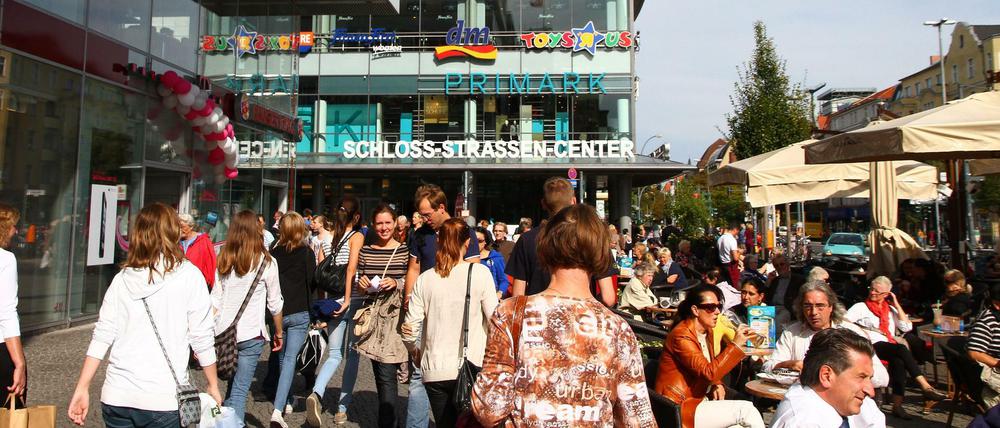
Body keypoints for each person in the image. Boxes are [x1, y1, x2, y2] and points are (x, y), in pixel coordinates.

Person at [472, 204, 655, 427]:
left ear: (545, 248)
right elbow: (638, 419)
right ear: (601, 253)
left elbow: (489, 409)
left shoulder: (511, 315)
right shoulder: (617, 329)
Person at [67, 203, 223, 426]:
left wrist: (83, 387)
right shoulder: (189, 276)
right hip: (163, 398)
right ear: (173, 231)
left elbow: (102, 335)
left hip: (117, 397)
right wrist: (213, 385)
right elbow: (202, 337)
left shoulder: (122, 278)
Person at [402, 218, 499, 427]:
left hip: (434, 369)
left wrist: (415, 353)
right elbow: (495, 320)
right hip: (471, 366)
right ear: (467, 243)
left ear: (439, 241)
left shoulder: (425, 278)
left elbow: (409, 330)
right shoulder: (480, 273)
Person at [653, 284, 765, 428]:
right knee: (747, 410)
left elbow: (704, 366)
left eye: (719, 306)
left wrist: (717, 384)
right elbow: (708, 372)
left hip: (700, 399)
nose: (717, 312)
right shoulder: (681, 336)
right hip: (681, 406)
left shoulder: (707, 332)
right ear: (695, 310)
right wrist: (735, 346)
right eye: (710, 307)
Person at [212, 210, 284, 426]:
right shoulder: (267, 262)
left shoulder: (224, 258)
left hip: (224, 333)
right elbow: (275, 303)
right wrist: (278, 332)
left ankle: (225, 422)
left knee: (231, 386)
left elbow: (214, 300)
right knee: (240, 389)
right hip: (252, 332)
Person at [845, 275, 947, 418]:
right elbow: (843, 323)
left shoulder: (890, 309)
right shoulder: (860, 307)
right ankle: (925, 386)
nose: (873, 293)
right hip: (870, 345)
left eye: (877, 291)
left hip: (887, 345)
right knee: (901, 349)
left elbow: (906, 327)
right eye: (871, 289)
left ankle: (897, 406)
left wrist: (897, 304)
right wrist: (861, 333)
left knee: (899, 362)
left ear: (887, 294)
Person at [763, 281, 890, 392]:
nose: (813, 312)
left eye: (820, 306)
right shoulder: (792, 333)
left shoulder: (851, 333)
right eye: (808, 306)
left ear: (831, 307)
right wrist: (789, 364)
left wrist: (843, 377)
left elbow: (881, 377)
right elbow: (768, 367)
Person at [507, 177, 616, 307]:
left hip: (538, 316)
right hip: (582, 317)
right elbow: (608, 297)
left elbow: (517, 296)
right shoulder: (591, 236)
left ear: (543, 204)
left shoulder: (527, 239)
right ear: (574, 201)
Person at [307, 197, 365, 427]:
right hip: (353, 301)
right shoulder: (357, 236)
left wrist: (326, 303)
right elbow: (352, 268)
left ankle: (317, 393)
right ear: (356, 217)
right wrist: (348, 299)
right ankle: (342, 408)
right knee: (352, 355)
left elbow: (321, 272)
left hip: (331, 302)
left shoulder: (327, 239)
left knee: (334, 354)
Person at [354, 204, 410, 428]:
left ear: (396, 223)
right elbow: (360, 285)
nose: (384, 228)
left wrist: (397, 283)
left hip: (396, 317)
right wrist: (362, 284)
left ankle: (388, 422)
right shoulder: (366, 251)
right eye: (379, 223)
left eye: (388, 222)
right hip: (374, 319)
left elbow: (413, 281)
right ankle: (389, 420)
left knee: (387, 373)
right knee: (380, 372)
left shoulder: (405, 250)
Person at [771, 328, 884, 428]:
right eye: (861, 377)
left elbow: (875, 419)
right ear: (826, 376)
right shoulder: (803, 422)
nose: (870, 391)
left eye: (869, 378)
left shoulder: (855, 403)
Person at [265, 212, 316, 428]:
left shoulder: (272, 253)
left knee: (281, 358)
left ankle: (286, 401)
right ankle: (278, 410)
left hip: (276, 313)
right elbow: (311, 282)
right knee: (289, 360)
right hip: (299, 311)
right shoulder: (306, 253)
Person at [0, 204, 25, 407]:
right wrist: (19, 362)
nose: (16, 231)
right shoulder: (6, 259)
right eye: (13, 226)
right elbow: (6, 312)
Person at [968, 282, 1000, 407]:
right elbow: (974, 352)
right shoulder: (987, 321)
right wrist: (997, 363)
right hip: (992, 370)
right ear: (997, 305)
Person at [179, 212, 217, 289]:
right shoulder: (177, 242)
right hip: (181, 286)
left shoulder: (203, 241)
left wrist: (208, 285)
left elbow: (210, 265)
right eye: (177, 227)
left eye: (182, 227)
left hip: (198, 286)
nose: (179, 229)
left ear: (191, 227)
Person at [475, 226, 509, 297]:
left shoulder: (496, 257)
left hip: (491, 299)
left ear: (485, 242)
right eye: (473, 241)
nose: (476, 244)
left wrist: (499, 293)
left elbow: (503, 280)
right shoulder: (465, 257)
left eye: (479, 241)